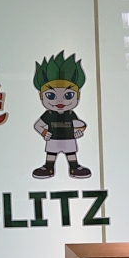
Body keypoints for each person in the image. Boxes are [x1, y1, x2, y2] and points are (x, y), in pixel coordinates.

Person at [31, 51, 91, 179]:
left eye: (68, 95)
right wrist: (44, 133)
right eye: (51, 95)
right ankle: (48, 168)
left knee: (71, 154)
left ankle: (74, 168)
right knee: (51, 154)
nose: (60, 101)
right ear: (41, 96)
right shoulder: (49, 114)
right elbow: (37, 125)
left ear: (78, 96)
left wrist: (79, 131)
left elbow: (80, 125)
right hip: (53, 139)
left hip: (69, 138)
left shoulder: (70, 113)